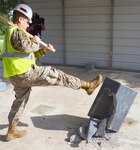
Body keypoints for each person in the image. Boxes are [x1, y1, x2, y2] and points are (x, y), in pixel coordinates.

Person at [1, 4, 102, 141]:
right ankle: (87, 86)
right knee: (54, 73)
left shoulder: (10, 33)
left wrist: (43, 50)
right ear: (20, 19)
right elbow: (26, 47)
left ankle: (11, 132)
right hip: (24, 73)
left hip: (16, 76)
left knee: (20, 101)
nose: (28, 24)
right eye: (27, 21)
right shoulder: (16, 32)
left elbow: (28, 56)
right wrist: (36, 41)